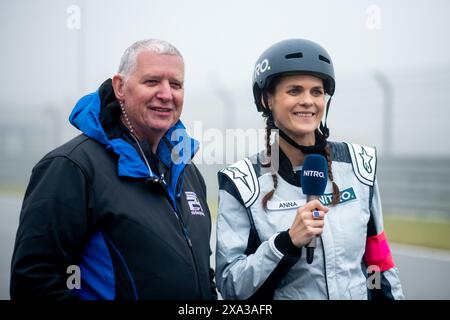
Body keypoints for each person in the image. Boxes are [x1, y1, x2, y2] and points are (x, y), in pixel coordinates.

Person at [10, 39, 217, 300]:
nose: (166, 94)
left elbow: (201, 275)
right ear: (120, 87)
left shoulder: (187, 173)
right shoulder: (71, 167)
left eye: (175, 84)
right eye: (152, 82)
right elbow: (34, 282)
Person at [215, 38, 404, 300]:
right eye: (294, 91)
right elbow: (230, 286)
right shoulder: (241, 182)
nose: (308, 101)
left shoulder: (360, 165)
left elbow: (378, 262)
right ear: (267, 99)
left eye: (316, 91)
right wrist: (285, 243)